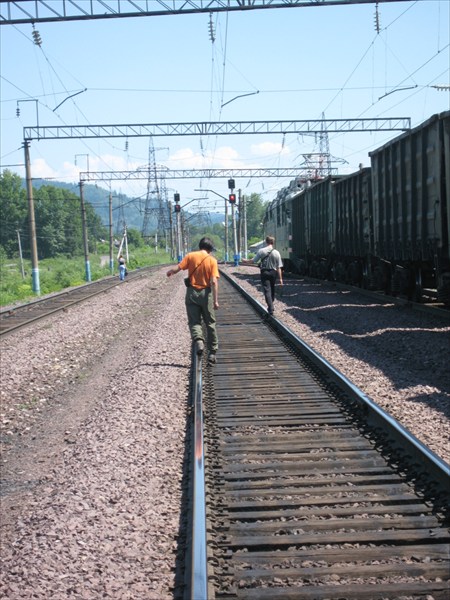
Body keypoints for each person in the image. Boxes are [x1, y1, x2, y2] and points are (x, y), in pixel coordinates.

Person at [166, 237, 220, 364]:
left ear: (200, 246)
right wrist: (215, 301)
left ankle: (199, 340)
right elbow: (214, 281)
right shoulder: (212, 260)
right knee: (210, 323)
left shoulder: (190, 256)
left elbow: (178, 268)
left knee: (194, 321)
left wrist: (170, 272)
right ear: (210, 249)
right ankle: (212, 353)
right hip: (206, 294)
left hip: (192, 293)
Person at [244, 235, 283, 315]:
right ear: (273, 242)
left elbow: (254, 261)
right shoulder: (277, 252)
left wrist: (246, 261)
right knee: (272, 289)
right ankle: (271, 305)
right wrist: (281, 279)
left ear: (266, 242)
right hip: (273, 273)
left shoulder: (261, 251)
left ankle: (270, 307)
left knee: (267, 290)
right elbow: (279, 267)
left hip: (264, 272)